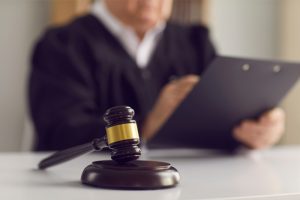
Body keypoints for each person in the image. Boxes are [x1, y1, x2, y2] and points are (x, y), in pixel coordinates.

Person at [29, 0, 285, 151]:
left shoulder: (195, 41)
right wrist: (148, 125)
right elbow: (60, 132)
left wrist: (253, 129)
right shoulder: (62, 45)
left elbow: (215, 122)